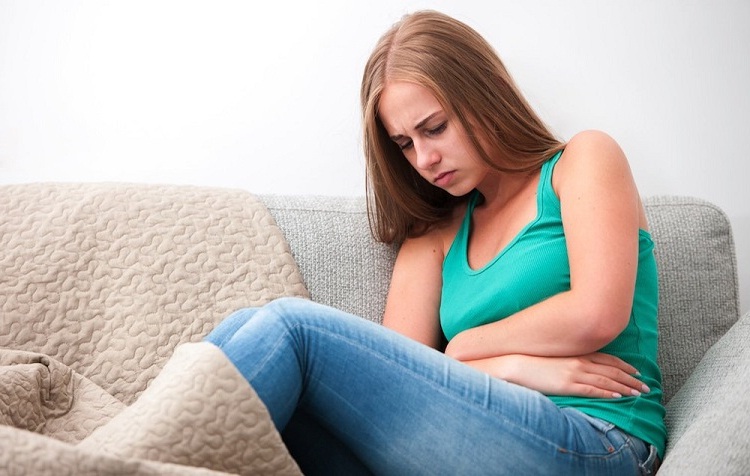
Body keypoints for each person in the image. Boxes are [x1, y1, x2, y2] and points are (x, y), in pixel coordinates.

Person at [205, 9, 666, 475]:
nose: (424, 158)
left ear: (485, 94)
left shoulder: (583, 160)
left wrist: (464, 346)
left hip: (601, 441)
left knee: (292, 328)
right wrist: (510, 366)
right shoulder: (435, 233)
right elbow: (401, 381)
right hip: (466, 450)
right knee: (245, 329)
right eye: (405, 143)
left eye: (435, 128)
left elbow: (596, 313)